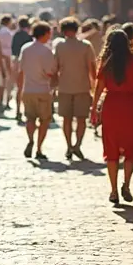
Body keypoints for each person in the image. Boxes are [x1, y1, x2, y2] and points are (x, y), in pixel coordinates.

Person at [91, 29, 133, 205]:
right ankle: (126, 184)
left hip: (111, 107)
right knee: (132, 148)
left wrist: (94, 109)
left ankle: (114, 190)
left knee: (111, 150)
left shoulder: (106, 62)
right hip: (132, 107)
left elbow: (99, 88)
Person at [54, 17, 97, 160]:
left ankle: (69, 145)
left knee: (66, 119)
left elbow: (56, 67)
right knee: (81, 119)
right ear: (77, 29)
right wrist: (94, 85)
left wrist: (53, 86)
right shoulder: (86, 45)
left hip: (65, 86)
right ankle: (78, 144)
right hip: (82, 86)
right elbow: (92, 68)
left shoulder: (59, 46)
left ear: (63, 30)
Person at [17, 22, 57, 160]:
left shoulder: (25, 48)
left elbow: (21, 70)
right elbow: (50, 72)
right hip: (43, 89)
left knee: (30, 118)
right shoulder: (46, 51)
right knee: (44, 120)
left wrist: (20, 89)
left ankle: (30, 140)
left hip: (28, 89)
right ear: (45, 34)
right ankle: (39, 148)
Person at [11, 16, 33, 122]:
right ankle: (26, 109)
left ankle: (18, 110)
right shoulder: (29, 37)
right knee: (27, 87)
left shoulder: (16, 35)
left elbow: (13, 49)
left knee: (19, 88)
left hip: (16, 61)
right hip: (27, 62)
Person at [0, 15, 14, 113]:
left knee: (0, 82)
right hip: (4, 59)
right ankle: (0, 102)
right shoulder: (7, 33)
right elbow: (6, 49)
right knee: (3, 82)